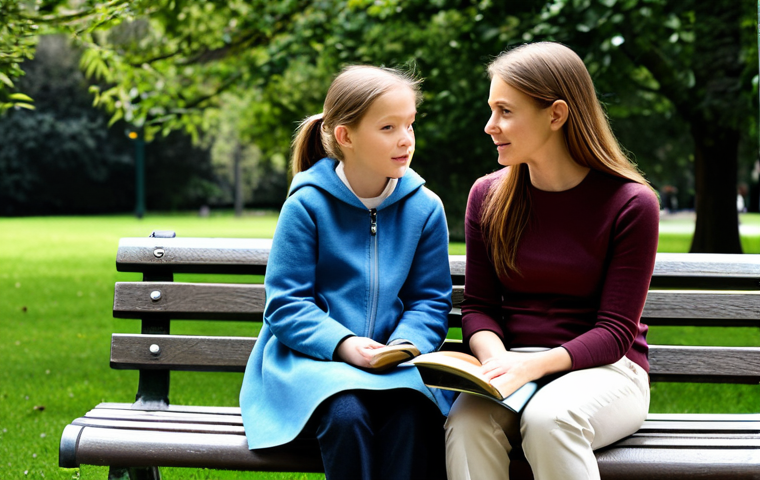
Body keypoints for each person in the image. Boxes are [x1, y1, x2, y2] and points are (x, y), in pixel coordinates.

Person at [444, 42, 659, 480]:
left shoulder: (631, 204)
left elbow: (615, 332)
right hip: (510, 365)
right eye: (491, 110)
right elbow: (479, 307)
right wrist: (498, 362)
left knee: (549, 420)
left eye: (505, 111)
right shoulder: (486, 196)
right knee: (466, 424)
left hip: (607, 372)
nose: (490, 126)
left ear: (556, 114)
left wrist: (530, 367)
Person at [239, 65, 453, 480]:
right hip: (314, 364)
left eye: (410, 124)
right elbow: (286, 305)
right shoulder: (306, 205)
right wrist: (345, 345)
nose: (406, 139)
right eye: (388, 127)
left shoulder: (425, 208)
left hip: (396, 366)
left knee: (413, 416)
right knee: (347, 416)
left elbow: (430, 300)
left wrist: (407, 343)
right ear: (345, 136)